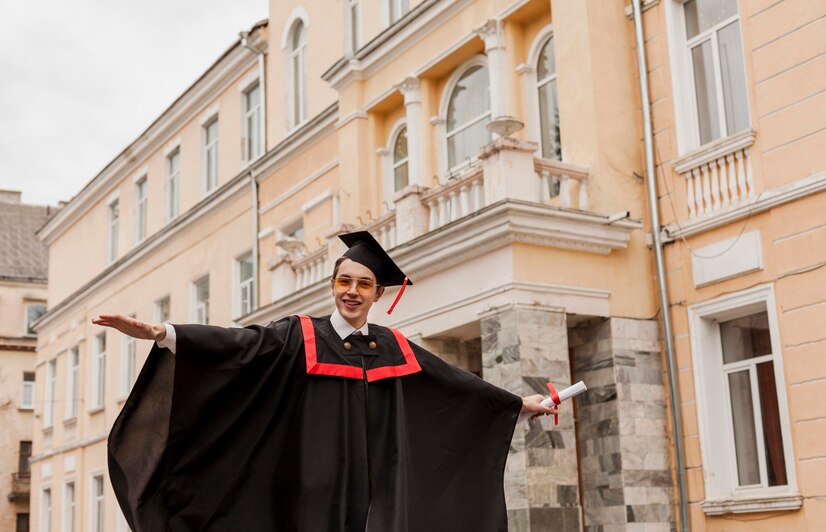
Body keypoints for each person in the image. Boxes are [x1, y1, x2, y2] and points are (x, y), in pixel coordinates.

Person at [95, 231, 555, 532]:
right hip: (305, 489)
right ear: (333, 285)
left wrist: (518, 404)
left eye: (363, 284)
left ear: (379, 294)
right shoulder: (299, 335)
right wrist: (164, 333)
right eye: (344, 281)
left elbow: (454, 386)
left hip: (373, 493)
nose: (352, 291)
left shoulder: (392, 347)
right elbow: (240, 346)